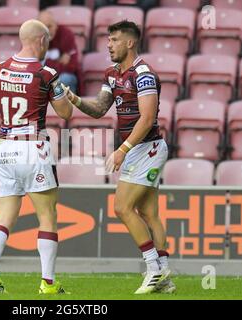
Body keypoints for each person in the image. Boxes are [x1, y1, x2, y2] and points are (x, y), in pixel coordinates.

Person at [64, 20, 176, 294]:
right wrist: (75, 100)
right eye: (108, 40)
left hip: (147, 148)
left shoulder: (144, 74)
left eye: (114, 40)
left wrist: (122, 150)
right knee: (149, 214)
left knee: (121, 208)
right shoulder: (112, 74)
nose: (108, 44)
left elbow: (148, 118)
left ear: (129, 42)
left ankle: (152, 270)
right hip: (136, 149)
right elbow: (101, 108)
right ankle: (165, 279)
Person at [0, 19, 74, 294]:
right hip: (33, 146)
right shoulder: (45, 73)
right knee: (47, 216)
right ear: (41, 41)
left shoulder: (1, 68)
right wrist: (62, 95)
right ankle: (48, 283)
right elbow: (65, 114)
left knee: (4, 216)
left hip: (4, 148)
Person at [38, 10, 80, 94]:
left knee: (65, 79)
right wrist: (58, 62)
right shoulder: (33, 36)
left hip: (62, 77)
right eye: (43, 27)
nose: (47, 31)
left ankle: (66, 106)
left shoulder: (66, 34)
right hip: (44, 76)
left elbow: (71, 67)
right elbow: (29, 66)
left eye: (49, 26)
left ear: (56, 25)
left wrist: (44, 63)